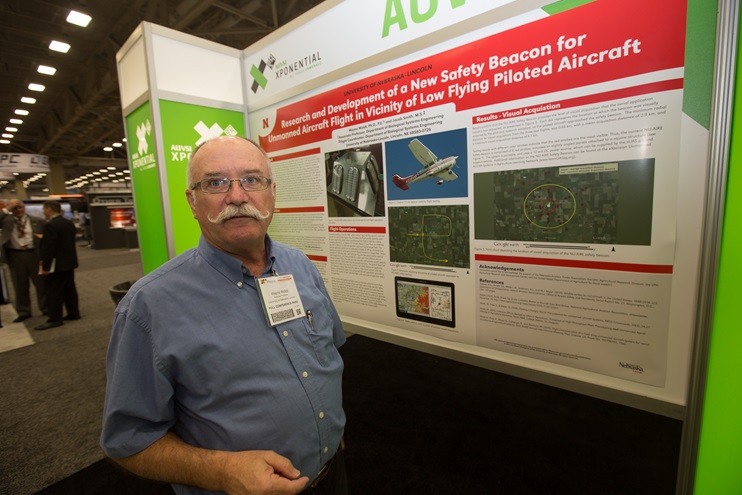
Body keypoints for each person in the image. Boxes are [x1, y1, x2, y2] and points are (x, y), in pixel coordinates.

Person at [101, 136, 347, 495]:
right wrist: (220, 471)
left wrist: (332, 435)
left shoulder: (302, 267)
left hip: (332, 476)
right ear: (192, 201)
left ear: (272, 192)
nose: (237, 196)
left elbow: (329, 356)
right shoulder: (149, 306)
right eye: (216, 183)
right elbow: (127, 440)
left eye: (252, 179)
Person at [35, 200, 81, 330]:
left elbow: (49, 248)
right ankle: (73, 312)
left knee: (53, 291)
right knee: (69, 289)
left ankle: (55, 318)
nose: (44, 212)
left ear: (49, 209)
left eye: (44, 209)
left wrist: (44, 266)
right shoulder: (68, 223)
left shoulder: (51, 225)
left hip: (56, 265)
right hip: (69, 263)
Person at [0, 199, 47, 322]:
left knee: (41, 283)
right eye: (15, 208)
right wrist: (7, 209)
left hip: (34, 254)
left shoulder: (37, 221)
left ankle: (45, 307)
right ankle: (23, 311)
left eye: (20, 207)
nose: (18, 210)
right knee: (19, 284)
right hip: (15, 255)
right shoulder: (6, 221)